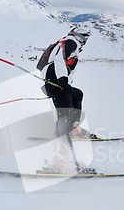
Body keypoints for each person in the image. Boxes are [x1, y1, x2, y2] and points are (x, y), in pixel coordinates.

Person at [40, 27, 96, 173]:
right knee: (65, 117)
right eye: (86, 38)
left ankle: (74, 128)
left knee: (77, 95)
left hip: (56, 82)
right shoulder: (72, 41)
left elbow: (62, 64)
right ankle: (59, 162)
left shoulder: (68, 42)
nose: (85, 42)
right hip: (56, 82)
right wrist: (63, 81)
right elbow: (59, 61)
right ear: (81, 37)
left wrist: (66, 83)